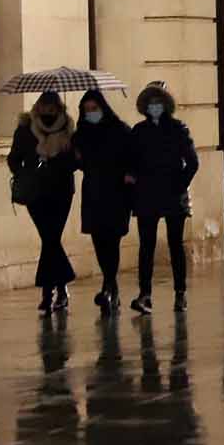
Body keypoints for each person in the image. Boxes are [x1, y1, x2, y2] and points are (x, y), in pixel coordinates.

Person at [127, 81, 199, 315]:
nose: (154, 106)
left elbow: (192, 162)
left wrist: (180, 184)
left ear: (165, 104)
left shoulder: (178, 129)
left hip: (171, 194)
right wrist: (132, 177)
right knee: (146, 246)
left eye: (158, 102)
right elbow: (133, 161)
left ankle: (180, 293)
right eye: (150, 103)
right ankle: (145, 294)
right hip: (146, 194)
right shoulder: (138, 131)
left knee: (175, 244)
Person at [9, 91, 78, 313]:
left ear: (58, 108)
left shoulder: (68, 130)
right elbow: (13, 158)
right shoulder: (25, 130)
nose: (47, 110)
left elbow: (76, 162)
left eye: (52, 106)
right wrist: (25, 171)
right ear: (38, 107)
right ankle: (59, 287)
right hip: (35, 192)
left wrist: (60, 160)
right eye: (44, 105)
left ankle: (49, 294)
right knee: (50, 240)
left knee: (51, 240)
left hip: (61, 191)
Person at [72, 88, 133, 312]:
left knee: (112, 239)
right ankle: (111, 289)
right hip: (94, 193)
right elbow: (76, 163)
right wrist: (75, 156)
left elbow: (132, 156)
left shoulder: (120, 130)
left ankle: (108, 288)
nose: (91, 113)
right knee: (99, 240)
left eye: (94, 108)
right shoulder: (81, 135)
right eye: (86, 110)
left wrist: (129, 174)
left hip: (116, 192)